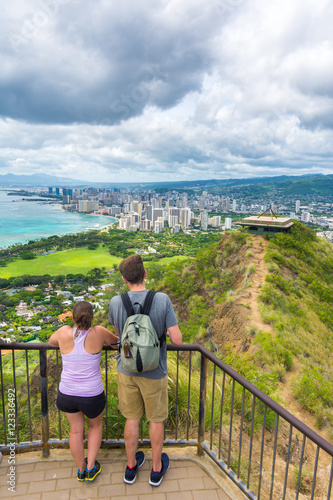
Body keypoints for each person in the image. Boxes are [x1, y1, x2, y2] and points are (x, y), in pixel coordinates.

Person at [108, 254, 182, 487]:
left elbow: (119, 335)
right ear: (145, 274)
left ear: (124, 279)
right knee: (156, 420)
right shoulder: (162, 300)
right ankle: (156, 470)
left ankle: (131, 468)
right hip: (155, 371)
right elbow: (178, 340)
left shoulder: (116, 302)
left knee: (131, 418)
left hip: (127, 369)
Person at [49, 300, 119, 482]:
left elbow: (51, 342)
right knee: (95, 427)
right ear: (92, 318)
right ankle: (90, 468)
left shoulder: (64, 332)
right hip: (92, 394)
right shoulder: (99, 333)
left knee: (75, 431)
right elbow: (116, 344)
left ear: (73, 317)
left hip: (67, 393)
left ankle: (80, 470)